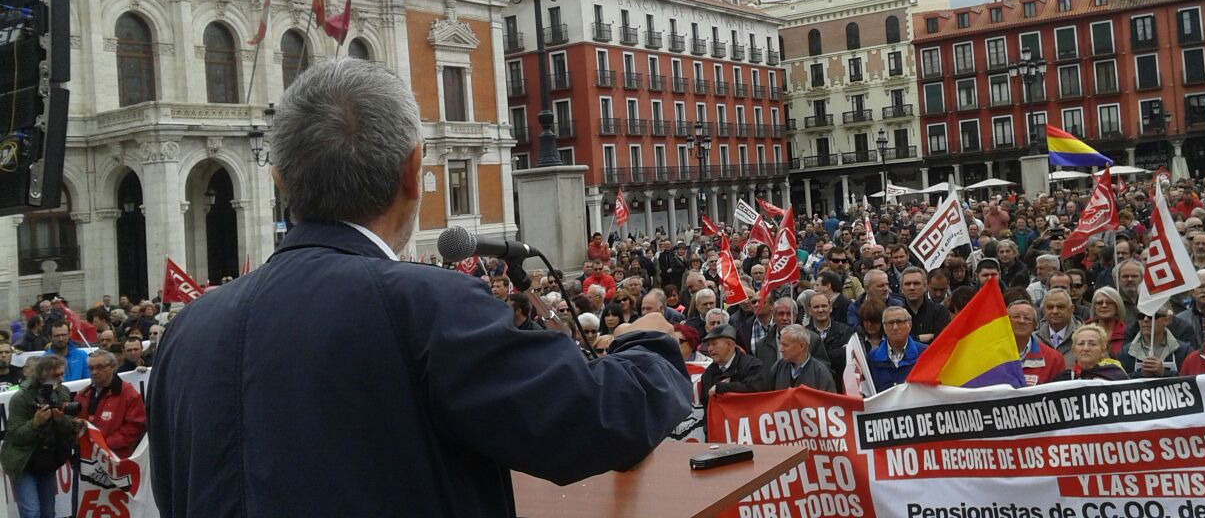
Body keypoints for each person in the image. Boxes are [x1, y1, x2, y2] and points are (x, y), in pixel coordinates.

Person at [149, 60, 692, 517]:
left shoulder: (187, 330)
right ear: (413, 171)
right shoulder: (427, 305)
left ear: (280, 183)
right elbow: (591, 423)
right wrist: (649, 344)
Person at [1, 355, 86, 518]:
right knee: (32, 512)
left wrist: (61, 420)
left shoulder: (62, 391)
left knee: (48, 512)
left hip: (47, 459)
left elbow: (68, 429)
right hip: (22, 460)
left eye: (62, 374)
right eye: (56, 375)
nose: (61, 379)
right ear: (42, 374)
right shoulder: (21, 397)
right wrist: (35, 423)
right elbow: (15, 435)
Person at [75, 350, 146, 458]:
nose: (94, 372)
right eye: (91, 368)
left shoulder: (128, 394)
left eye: (99, 367)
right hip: (87, 456)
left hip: (115, 458)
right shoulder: (83, 394)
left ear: (112, 367)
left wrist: (105, 444)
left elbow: (135, 427)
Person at [699, 324, 767, 405]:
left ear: (729, 345)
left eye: (714, 344)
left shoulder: (752, 366)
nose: (710, 349)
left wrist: (722, 388)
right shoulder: (708, 374)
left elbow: (754, 390)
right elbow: (706, 405)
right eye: (708, 345)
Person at [868, 306, 927, 392]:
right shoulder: (872, 357)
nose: (895, 327)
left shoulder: (925, 353)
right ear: (884, 327)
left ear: (909, 325)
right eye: (890, 323)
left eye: (899, 322)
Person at [1119, 307, 1190, 378]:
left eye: (1151, 316)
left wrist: (1164, 373)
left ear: (1165, 320)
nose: (1145, 319)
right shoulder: (1126, 352)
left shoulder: (1183, 351)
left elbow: (1191, 379)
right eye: (1141, 316)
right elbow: (1119, 381)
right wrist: (1140, 374)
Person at [1008, 301, 1065, 387]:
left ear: (1034, 325)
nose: (1021, 321)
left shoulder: (1053, 359)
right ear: (1006, 322)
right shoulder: (992, 355)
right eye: (1016, 317)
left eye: (1027, 318)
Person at [768, 325, 837, 392]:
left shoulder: (821, 373)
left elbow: (829, 398)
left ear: (802, 346)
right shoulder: (778, 367)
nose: (781, 349)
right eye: (781, 344)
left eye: (785, 345)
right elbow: (768, 395)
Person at [1052, 324, 1128, 382]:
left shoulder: (1116, 376)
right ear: (1073, 350)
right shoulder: (1062, 380)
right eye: (1081, 344)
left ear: (1103, 350)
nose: (1086, 348)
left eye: (1092, 344)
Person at [899, 267, 950, 344]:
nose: (912, 288)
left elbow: (942, 340)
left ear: (925, 286)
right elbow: (895, 341)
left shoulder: (940, 312)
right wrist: (919, 338)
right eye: (907, 284)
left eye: (916, 283)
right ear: (902, 289)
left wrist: (910, 339)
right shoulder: (896, 315)